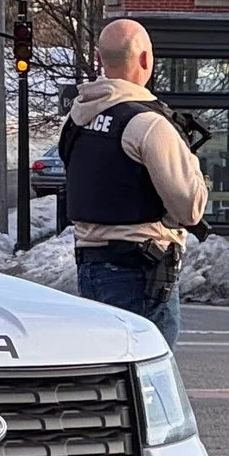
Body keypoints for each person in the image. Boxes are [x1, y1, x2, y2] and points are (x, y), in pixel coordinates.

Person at [60, 18, 208, 346]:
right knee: (147, 384)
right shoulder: (148, 124)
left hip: (90, 267)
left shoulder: (78, 117)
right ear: (145, 60)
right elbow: (190, 208)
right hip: (143, 273)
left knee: (105, 374)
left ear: (100, 60)